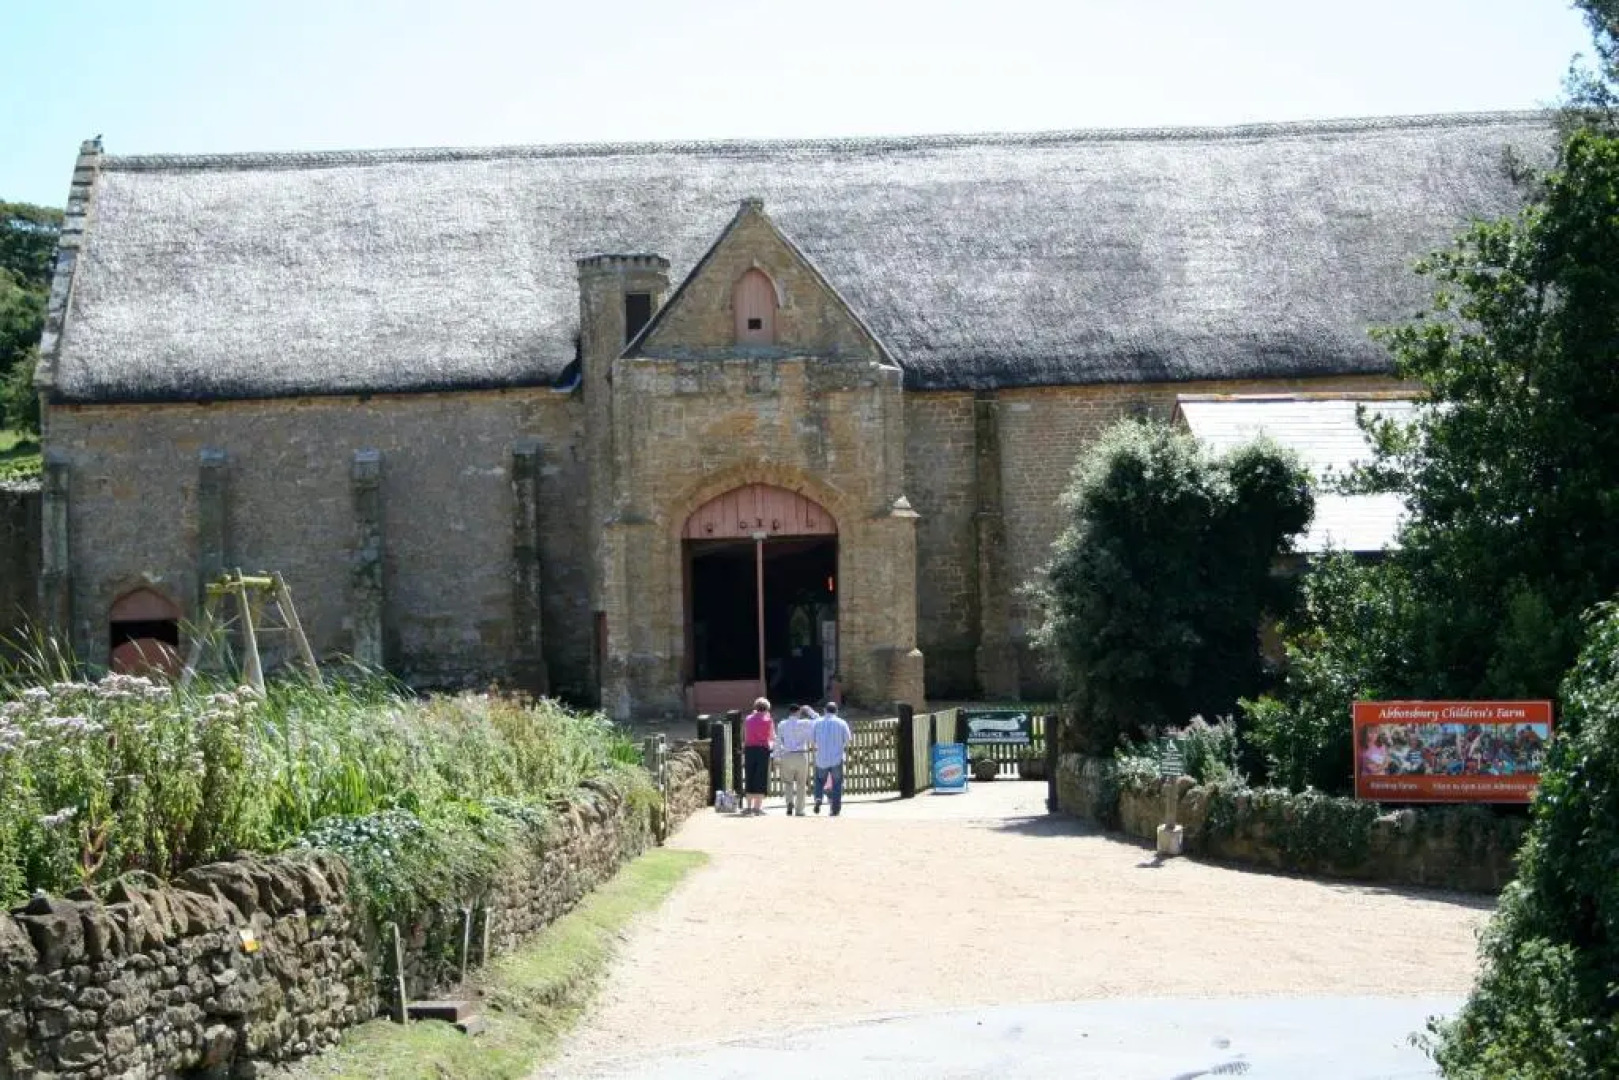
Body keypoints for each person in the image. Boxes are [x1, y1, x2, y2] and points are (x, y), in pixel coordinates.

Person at [775, 704, 816, 816]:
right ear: (798, 712)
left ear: (789, 712)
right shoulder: (805, 723)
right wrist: (809, 710)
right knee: (801, 784)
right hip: (801, 755)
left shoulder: (782, 724)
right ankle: (799, 810)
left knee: (788, 782)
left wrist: (776, 756)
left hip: (787, 755)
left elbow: (778, 741)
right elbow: (818, 720)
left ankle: (789, 802)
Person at [811, 702, 851, 816]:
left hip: (821, 758)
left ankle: (818, 798)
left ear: (825, 710)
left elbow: (812, 740)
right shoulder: (841, 723)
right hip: (836, 758)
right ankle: (835, 809)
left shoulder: (817, 723)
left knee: (819, 780)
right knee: (837, 783)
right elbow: (848, 739)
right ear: (836, 711)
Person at [742, 697, 775, 815]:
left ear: (756, 707)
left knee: (749, 775)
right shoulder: (769, 720)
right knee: (760, 777)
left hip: (749, 749)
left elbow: (745, 735)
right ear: (767, 709)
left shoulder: (748, 719)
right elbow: (772, 737)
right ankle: (757, 808)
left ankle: (748, 807)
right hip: (762, 749)